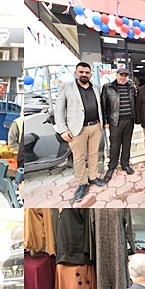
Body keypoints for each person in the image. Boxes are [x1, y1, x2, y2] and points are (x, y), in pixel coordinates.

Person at [53, 62, 106, 202]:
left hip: (95, 126)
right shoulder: (66, 87)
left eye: (87, 72)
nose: (84, 75)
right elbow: (58, 110)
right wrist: (63, 129)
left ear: (90, 74)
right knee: (79, 158)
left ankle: (93, 177)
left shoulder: (96, 88)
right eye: (81, 72)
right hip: (77, 130)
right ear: (75, 73)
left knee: (94, 154)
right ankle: (82, 183)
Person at [101, 68, 137, 180]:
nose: (123, 77)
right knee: (115, 145)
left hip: (129, 120)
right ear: (116, 75)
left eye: (125, 76)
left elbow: (134, 103)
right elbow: (103, 105)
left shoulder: (131, 87)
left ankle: (125, 164)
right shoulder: (108, 87)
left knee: (127, 143)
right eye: (121, 75)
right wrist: (105, 121)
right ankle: (111, 167)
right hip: (115, 121)